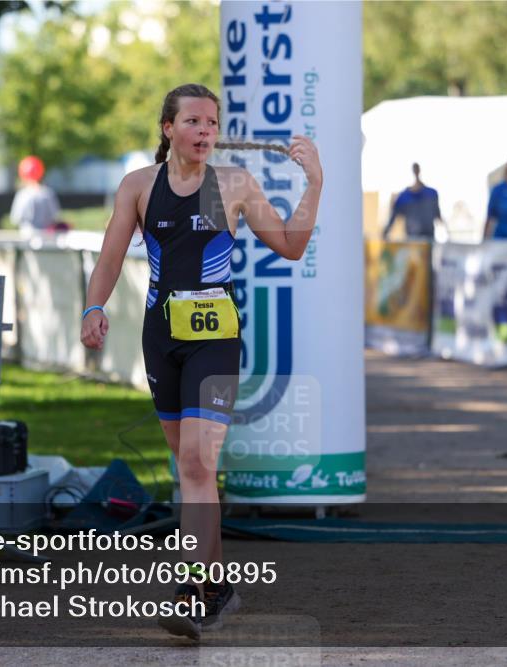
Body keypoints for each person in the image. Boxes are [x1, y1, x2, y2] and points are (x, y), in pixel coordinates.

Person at [80, 83, 322, 640]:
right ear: (168, 128)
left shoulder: (231, 184)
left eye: (212, 122)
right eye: (193, 121)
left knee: (194, 463)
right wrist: (94, 307)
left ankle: (191, 590)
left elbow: (290, 245)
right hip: (161, 339)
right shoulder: (140, 186)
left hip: (215, 343)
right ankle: (217, 588)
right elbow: (110, 257)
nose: (205, 131)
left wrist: (315, 184)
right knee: (194, 470)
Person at [383, 163, 442, 240]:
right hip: (412, 239)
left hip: (428, 238)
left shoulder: (431, 193)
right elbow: (393, 217)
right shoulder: (404, 197)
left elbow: (437, 214)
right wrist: (385, 233)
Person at [9, 155, 62, 232]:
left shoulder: (23, 194)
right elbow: (55, 216)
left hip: (28, 235)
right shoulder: (47, 193)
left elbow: (16, 218)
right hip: (46, 235)